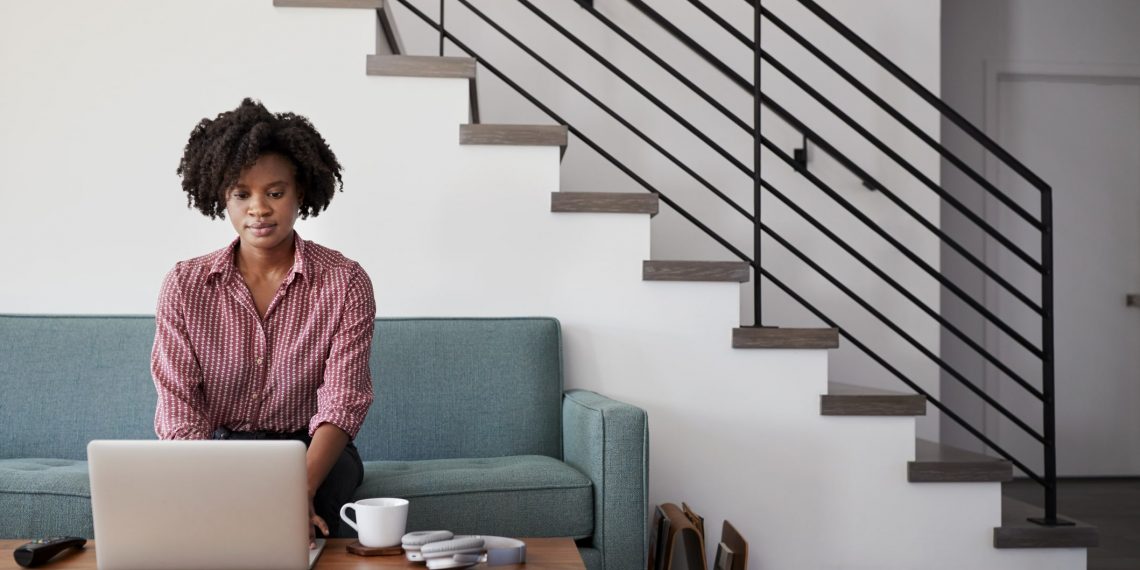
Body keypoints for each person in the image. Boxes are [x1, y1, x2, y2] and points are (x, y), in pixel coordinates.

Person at [151, 98, 375, 549]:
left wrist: (300, 487)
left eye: (275, 192)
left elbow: (343, 401)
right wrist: (206, 481)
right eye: (242, 194)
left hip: (313, 450)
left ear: (302, 193)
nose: (259, 209)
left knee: (295, 526)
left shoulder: (345, 282)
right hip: (219, 450)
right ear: (221, 197)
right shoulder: (185, 285)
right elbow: (178, 405)